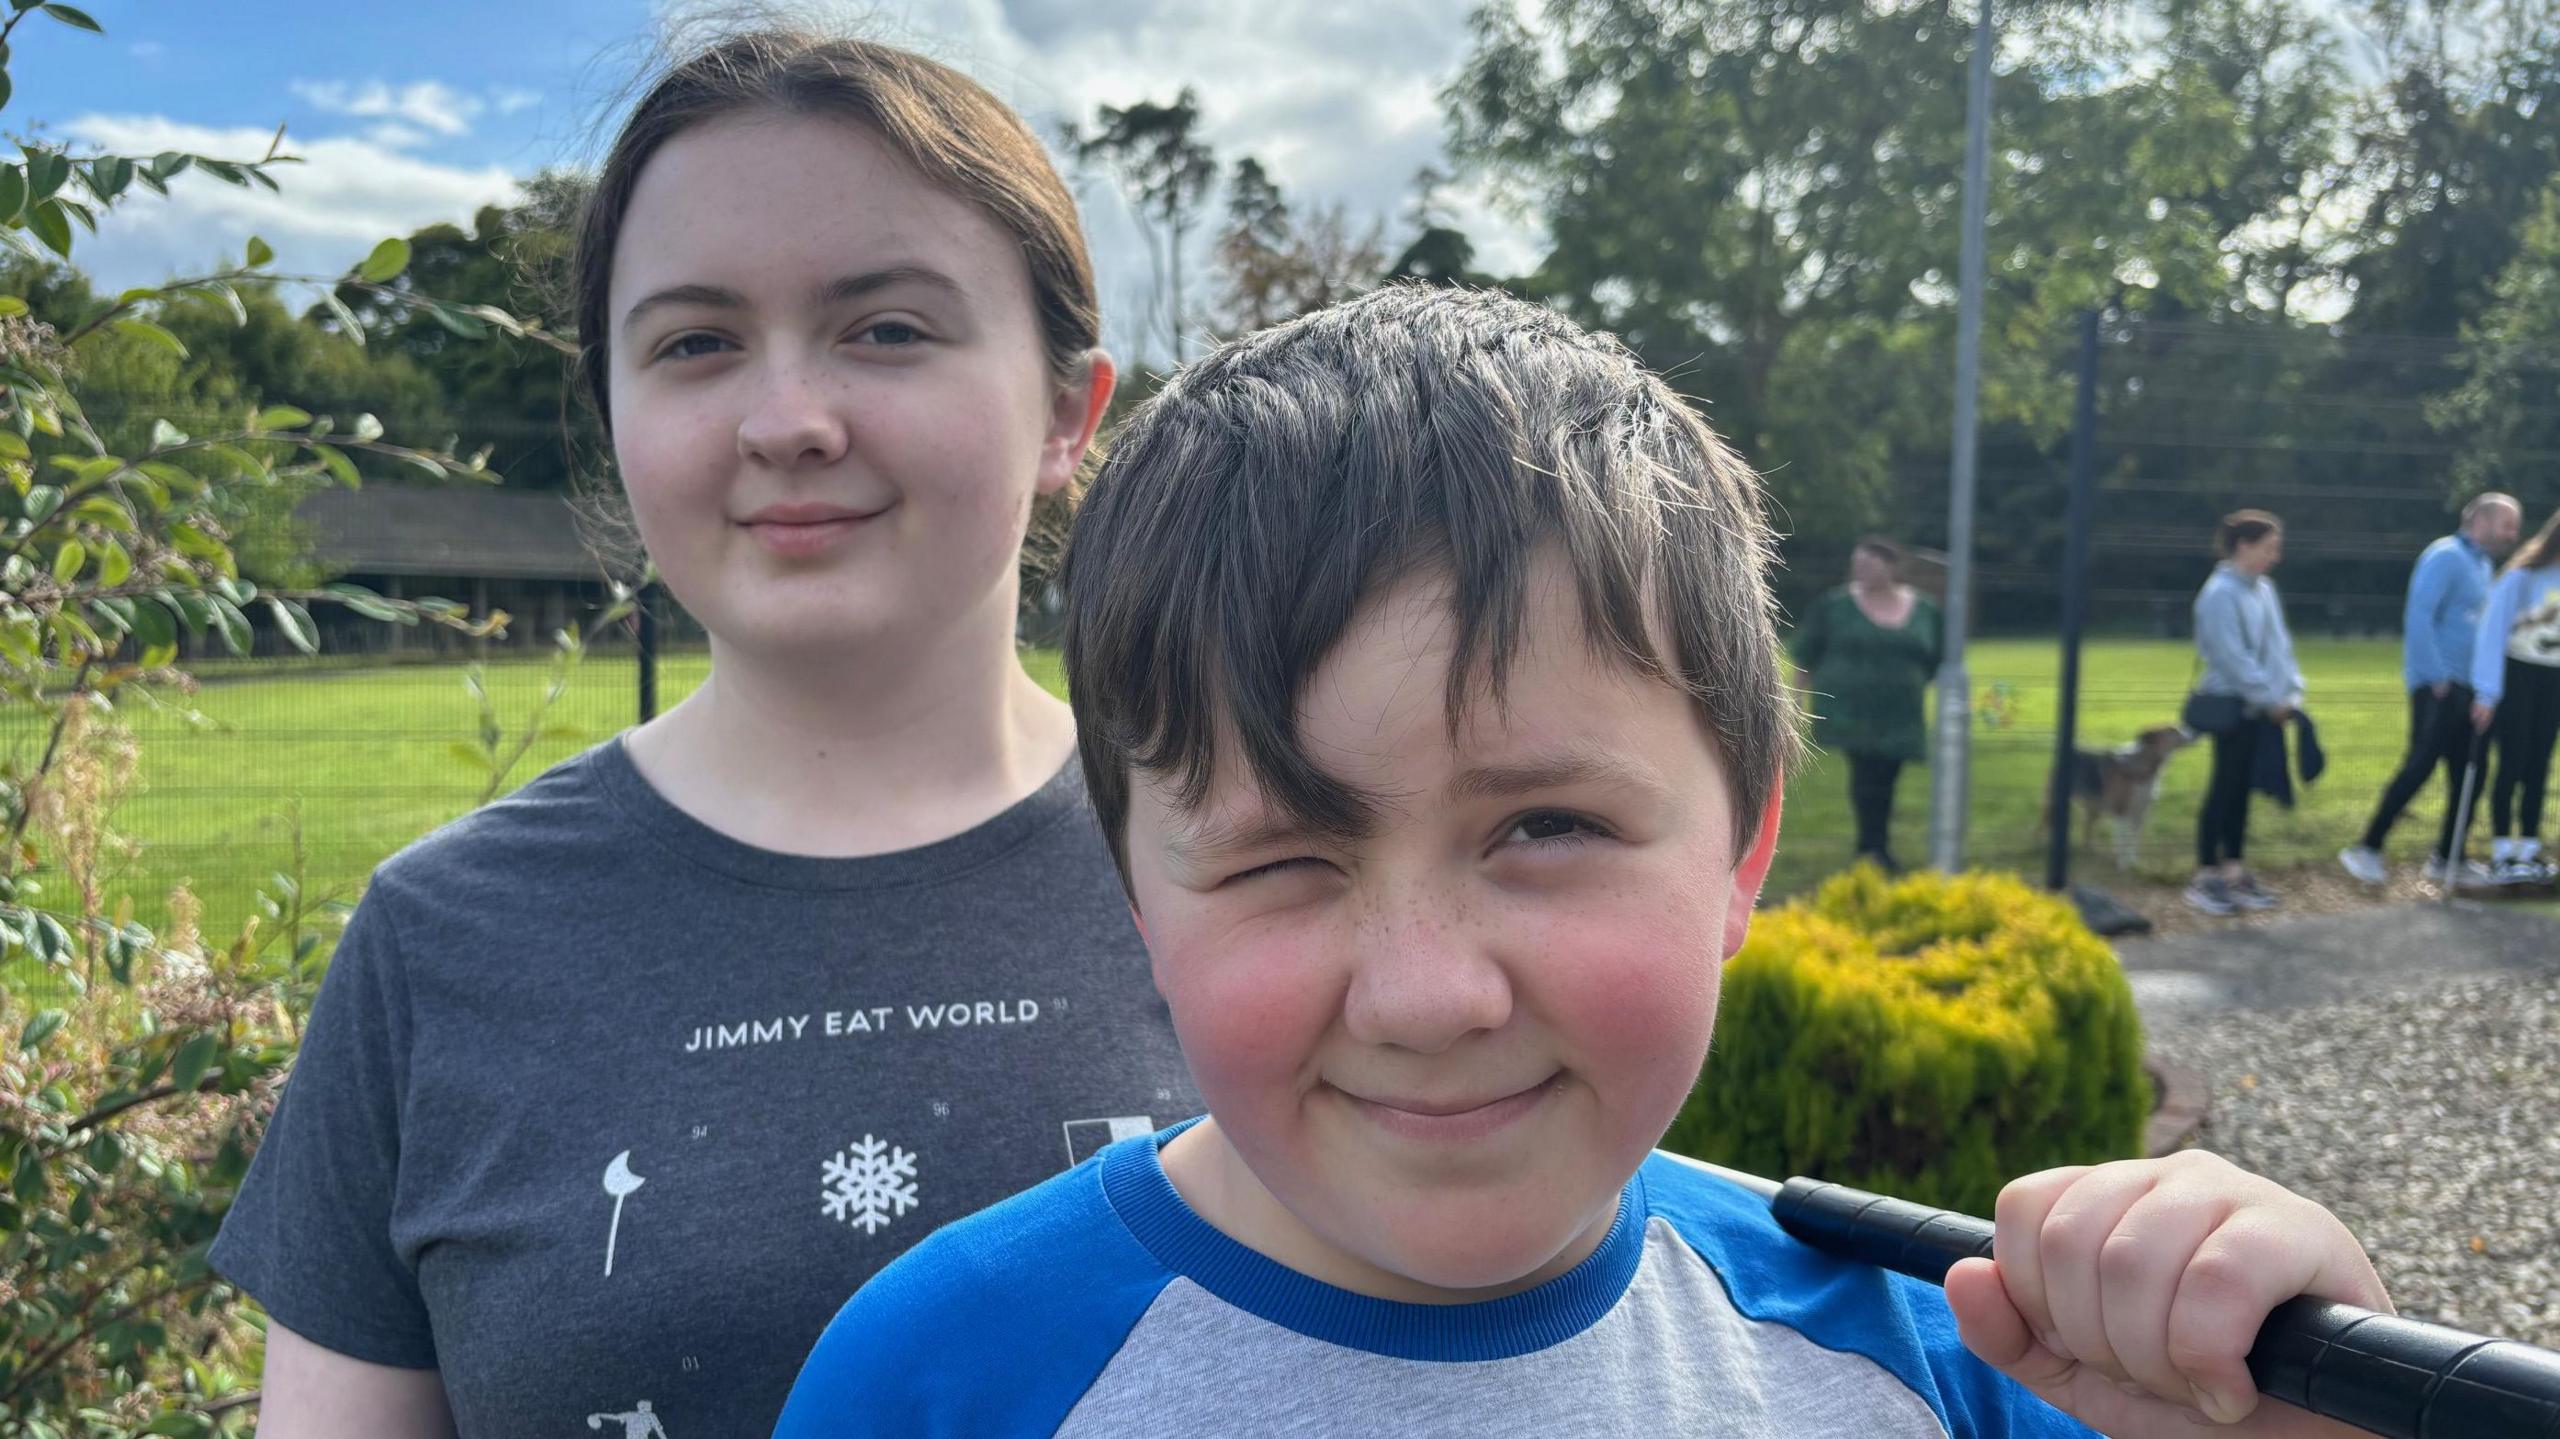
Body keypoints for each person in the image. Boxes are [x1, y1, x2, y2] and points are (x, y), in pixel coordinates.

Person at [776, 288, 2393, 1438]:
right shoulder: (938, 1380)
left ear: (1745, 848)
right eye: (1283, 855)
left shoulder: (1948, 1362)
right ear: (1139, 892)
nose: (1425, 991)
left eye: (1544, 826)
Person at [211, 30, 1199, 1436]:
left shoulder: (1254, 856)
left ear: (1065, 410)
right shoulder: (437, 941)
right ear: (613, 413)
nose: (787, 419)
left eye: (889, 327)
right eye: (697, 343)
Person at [2339, 493, 2520, 887]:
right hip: (2439, 687)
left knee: (2470, 774)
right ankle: (2366, 848)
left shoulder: (2483, 565)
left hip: (2471, 690)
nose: (2514, 534)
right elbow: (2419, 617)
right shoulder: (2445, 556)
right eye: (2508, 524)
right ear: (2483, 521)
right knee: (2420, 766)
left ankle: (2447, 858)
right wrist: (2437, 678)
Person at [1789, 536, 1942, 871]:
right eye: (1857, 565)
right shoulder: (1833, 606)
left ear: (1891, 567)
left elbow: (1935, 657)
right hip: (1851, 711)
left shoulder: (1925, 609)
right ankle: (1870, 847)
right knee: (1865, 774)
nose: (1861, 572)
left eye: (1869, 565)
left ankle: (1878, 843)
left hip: (1901, 713)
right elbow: (1806, 653)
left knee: (1888, 774)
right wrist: (1797, 697)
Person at [2183, 510, 2303, 916]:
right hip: (2233, 707)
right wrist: (2272, 699)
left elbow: (2279, 647)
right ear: (2243, 546)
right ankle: (2205, 876)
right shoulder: (2218, 594)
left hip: (2259, 708)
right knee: (2224, 787)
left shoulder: (2263, 589)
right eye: (2269, 548)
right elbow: (2233, 660)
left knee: (2240, 791)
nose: (2276, 556)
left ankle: (2233, 870)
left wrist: (2292, 692)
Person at [2471, 504, 2560, 884]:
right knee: (2512, 761)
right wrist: (2486, 692)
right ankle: (2503, 851)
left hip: (2553, 678)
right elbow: (2491, 636)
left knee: (2539, 763)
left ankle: (2528, 849)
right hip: (2519, 674)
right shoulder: (2521, 578)